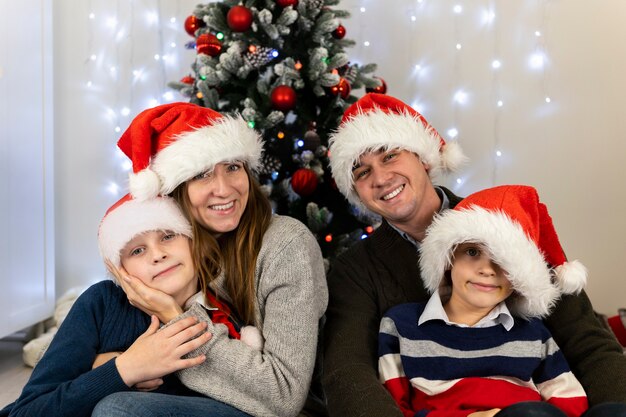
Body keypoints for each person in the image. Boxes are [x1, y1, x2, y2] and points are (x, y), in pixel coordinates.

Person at [322, 93, 626, 417]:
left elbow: (588, 343)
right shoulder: (354, 271)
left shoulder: (506, 223)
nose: (380, 178)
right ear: (355, 191)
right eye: (362, 172)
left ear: (424, 159)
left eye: (390, 156)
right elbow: (347, 372)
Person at [92, 102, 328, 417]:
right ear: (178, 189)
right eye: (202, 174)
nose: (224, 189)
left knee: (119, 410)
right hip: (190, 397)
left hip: (271, 409)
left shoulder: (286, 244)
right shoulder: (168, 251)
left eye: (233, 166)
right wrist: (110, 365)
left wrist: (177, 320)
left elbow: (284, 395)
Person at [379, 185, 592, 417]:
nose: (487, 270)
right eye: (472, 252)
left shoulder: (533, 332)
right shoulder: (402, 324)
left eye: (503, 260)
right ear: (449, 259)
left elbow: (569, 399)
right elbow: (393, 408)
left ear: (519, 277)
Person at [0, 195, 213, 417]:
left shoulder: (229, 300)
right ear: (121, 271)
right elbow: (28, 411)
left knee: (114, 408)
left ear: (193, 240)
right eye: (137, 250)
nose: (158, 255)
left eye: (168, 236)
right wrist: (125, 368)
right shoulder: (102, 302)